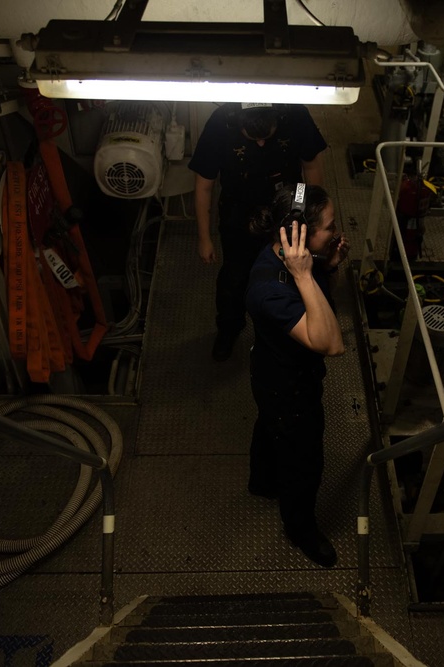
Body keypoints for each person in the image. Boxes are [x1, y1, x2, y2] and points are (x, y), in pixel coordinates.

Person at [245, 184, 349, 568]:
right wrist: (306, 276)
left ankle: (262, 483)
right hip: (289, 390)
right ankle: (300, 528)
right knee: (304, 465)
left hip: (272, 375)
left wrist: (328, 267)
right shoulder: (269, 288)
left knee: (268, 428)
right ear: (297, 233)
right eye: (330, 227)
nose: (336, 233)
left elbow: (324, 303)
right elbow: (332, 343)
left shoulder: (299, 258)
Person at [189, 103, 327, 361]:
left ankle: (288, 330)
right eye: (254, 139)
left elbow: (311, 167)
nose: (262, 144)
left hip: (289, 205)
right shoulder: (220, 122)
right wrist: (204, 237)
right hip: (239, 210)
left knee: (292, 274)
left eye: (267, 136)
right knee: (234, 279)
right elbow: (204, 185)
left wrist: (311, 217)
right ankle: (229, 329)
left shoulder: (296, 114)